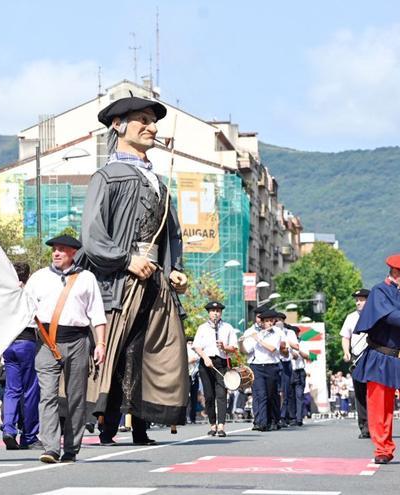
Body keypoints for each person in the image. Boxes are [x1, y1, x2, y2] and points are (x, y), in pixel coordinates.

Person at [79, 95, 189, 447]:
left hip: (155, 280)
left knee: (150, 351)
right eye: (142, 119)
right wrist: (126, 259)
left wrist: (175, 269)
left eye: (153, 122)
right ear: (118, 125)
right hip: (119, 281)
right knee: (116, 349)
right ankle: (107, 425)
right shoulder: (107, 177)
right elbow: (93, 236)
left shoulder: (159, 181)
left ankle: (142, 425)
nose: (151, 127)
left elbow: (171, 232)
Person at [27, 235, 107, 463]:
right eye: (54, 250)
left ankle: (71, 448)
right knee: (48, 395)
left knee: (76, 398)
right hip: (46, 342)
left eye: (62, 250)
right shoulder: (38, 278)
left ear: (73, 253)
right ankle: (51, 448)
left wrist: (100, 344)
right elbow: (24, 308)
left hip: (78, 341)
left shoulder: (86, 278)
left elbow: (98, 314)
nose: (56, 253)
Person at [351, 254, 400, 464]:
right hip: (381, 356)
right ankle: (383, 449)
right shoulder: (380, 291)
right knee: (380, 407)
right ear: (396, 273)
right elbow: (390, 316)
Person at [1, 262, 41, 450]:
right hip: (27, 341)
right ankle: (29, 435)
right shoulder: (31, 292)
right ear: (28, 276)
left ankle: (8, 428)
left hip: (8, 343)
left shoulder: (4, 294)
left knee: (12, 389)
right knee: (31, 390)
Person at [193, 301, 238, 437]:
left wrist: (225, 347)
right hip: (206, 362)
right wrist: (205, 357)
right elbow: (196, 346)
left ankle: (221, 426)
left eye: (218, 311)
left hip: (221, 362)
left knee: (221, 395)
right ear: (209, 313)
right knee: (209, 395)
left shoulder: (228, 327)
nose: (215, 313)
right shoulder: (202, 328)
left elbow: (234, 347)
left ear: (221, 313)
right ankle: (212, 424)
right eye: (213, 311)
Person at [240, 310, 283, 432]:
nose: (269, 323)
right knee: (261, 395)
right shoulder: (254, 333)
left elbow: (272, 348)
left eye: (271, 321)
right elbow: (246, 351)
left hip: (271, 366)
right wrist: (240, 343)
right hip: (257, 366)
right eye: (267, 321)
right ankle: (261, 422)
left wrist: (258, 339)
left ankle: (272, 419)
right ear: (262, 323)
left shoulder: (276, 333)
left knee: (271, 395)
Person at [341, 288, 370, 438]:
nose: (358, 302)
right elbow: (345, 337)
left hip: (373, 358)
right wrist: (346, 352)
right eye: (357, 300)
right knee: (360, 393)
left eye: (361, 299)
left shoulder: (376, 315)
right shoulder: (351, 317)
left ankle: (376, 425)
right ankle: (364, 427)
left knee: (373, 392)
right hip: (357, 358)